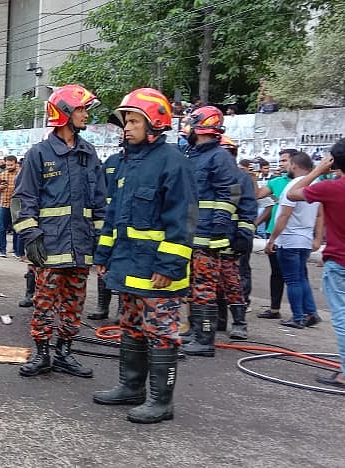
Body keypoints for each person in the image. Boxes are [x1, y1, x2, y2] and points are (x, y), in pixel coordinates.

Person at [93, 88, 197, 424]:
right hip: (127, 267)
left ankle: (161, 401)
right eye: (126, 121)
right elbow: (114, 217)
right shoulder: (125, 163)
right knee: (132, 327)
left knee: (162, 333)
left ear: (155, 123)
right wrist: (104, 253)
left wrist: (169, 265)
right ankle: (131, 387)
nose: (127, 127)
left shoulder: (173, 162)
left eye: (134, 120)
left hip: (158, 272)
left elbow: (182, 219)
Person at [13, 84, 106, 380]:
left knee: (74, 302)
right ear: (64, 112)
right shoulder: (39, 154)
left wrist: (103, 245)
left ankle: (65, 352)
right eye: (80, 109)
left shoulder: (89, 154)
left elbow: (100, 203)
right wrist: (31, 237)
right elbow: (22, 200)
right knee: (44, 302)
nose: (85, 114)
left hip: (81, 247)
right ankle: (42, 354)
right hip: (49, 246)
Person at [287, 137, 345, 389]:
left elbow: (293, 194)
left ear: (334, 163)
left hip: (339, 262)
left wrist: (317, 170)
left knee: (344, 318)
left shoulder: (330, 188)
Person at [179, 106, 241, 357]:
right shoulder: (194, 155)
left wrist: (219, 224)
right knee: (194, 286)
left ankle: (205, 340)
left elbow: (230, 193)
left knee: (205, 287)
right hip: (193, 232)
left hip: (208, 234)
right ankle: (195, 332)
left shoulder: (219, 157)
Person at [264, 151, 323, 329]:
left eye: (288, 164)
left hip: (289, 239)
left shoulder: (293, 186)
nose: (286, 167)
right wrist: (317, 238)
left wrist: (272, 238)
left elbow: (284, 216)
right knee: (301, 277)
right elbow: (320, 214)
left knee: (292, 280)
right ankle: (310, 312)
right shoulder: (316, 184)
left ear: (295, 165)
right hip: (305, 238)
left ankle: (298, 317)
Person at [216, 135, 258, 340]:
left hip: (230, 240)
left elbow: (247, 209)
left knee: (231, 283)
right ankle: (219, 321)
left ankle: (240, 323)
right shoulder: (210, 174)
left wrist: (243, 235)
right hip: (209, 239)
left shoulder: (239, 178)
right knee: (210, 285)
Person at [254, 150, 295, 319]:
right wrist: (252, 175)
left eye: (284, 160)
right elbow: (257, 195)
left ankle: (301, 313)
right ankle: (274, 309)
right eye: (280, 160)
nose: (281, 163)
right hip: (274, 231)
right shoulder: (276, 181)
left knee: (295, 275)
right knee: (276, 272)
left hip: (293, 233)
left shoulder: (307, 182)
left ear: (295, 162)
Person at [88, 147, 124, 321]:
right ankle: (102, 307)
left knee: (122, 268)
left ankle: (122, 310)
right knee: (103, 265)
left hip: (126, 223)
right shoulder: (112, 160)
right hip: (107, 221)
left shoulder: (141, 162)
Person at [0, 155, 19, 257]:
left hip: (16, 206)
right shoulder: (2, 175)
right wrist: (0, 187)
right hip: (3, 204)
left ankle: (16, 250)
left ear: (15, 164)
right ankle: (2, 250)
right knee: (2, 229)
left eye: (11, 165)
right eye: (7, 165)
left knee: (17, 229)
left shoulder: (20, 175)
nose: (9, 166)